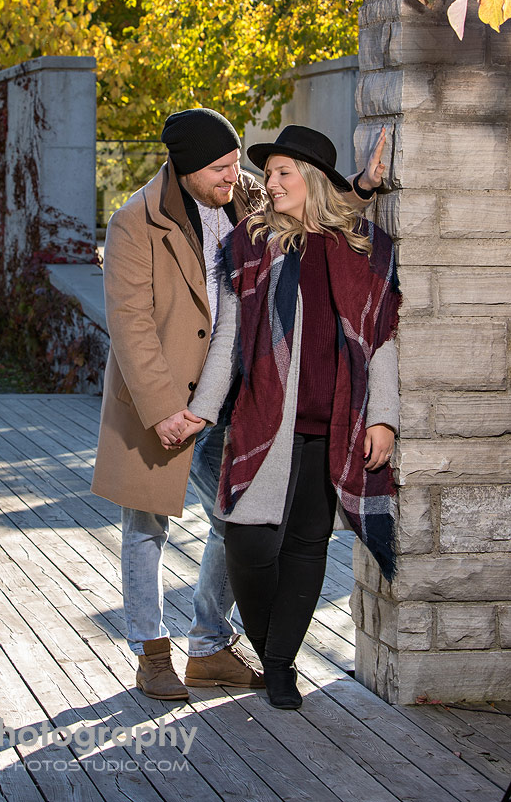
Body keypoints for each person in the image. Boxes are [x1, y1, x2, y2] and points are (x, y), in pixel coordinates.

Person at [91, 110, 385, 701]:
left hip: (237, 392)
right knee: (146, 526)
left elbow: (312, 217)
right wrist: (163, 408)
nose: (236, 176)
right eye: (221, 167)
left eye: (236, 164)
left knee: (233, 521)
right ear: (186, 166)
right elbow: (130, 324)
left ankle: (207, 645)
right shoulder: (134, 223)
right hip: (163, 396)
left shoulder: (244, 197)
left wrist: (359, 189)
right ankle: (150, 652)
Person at [184, 124, 400, 710]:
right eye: (270, 172)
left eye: (282, 173)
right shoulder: (252, 247)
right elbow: (229, 337)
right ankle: (268, 646)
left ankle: (278, 667)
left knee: (307, 546)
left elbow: (379, 341)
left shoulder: (363, 249)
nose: (268, 183)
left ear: (311, 181)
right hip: (264, 424)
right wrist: (201, 414)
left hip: (333, 425)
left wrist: (383, 418)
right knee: (249, 546)